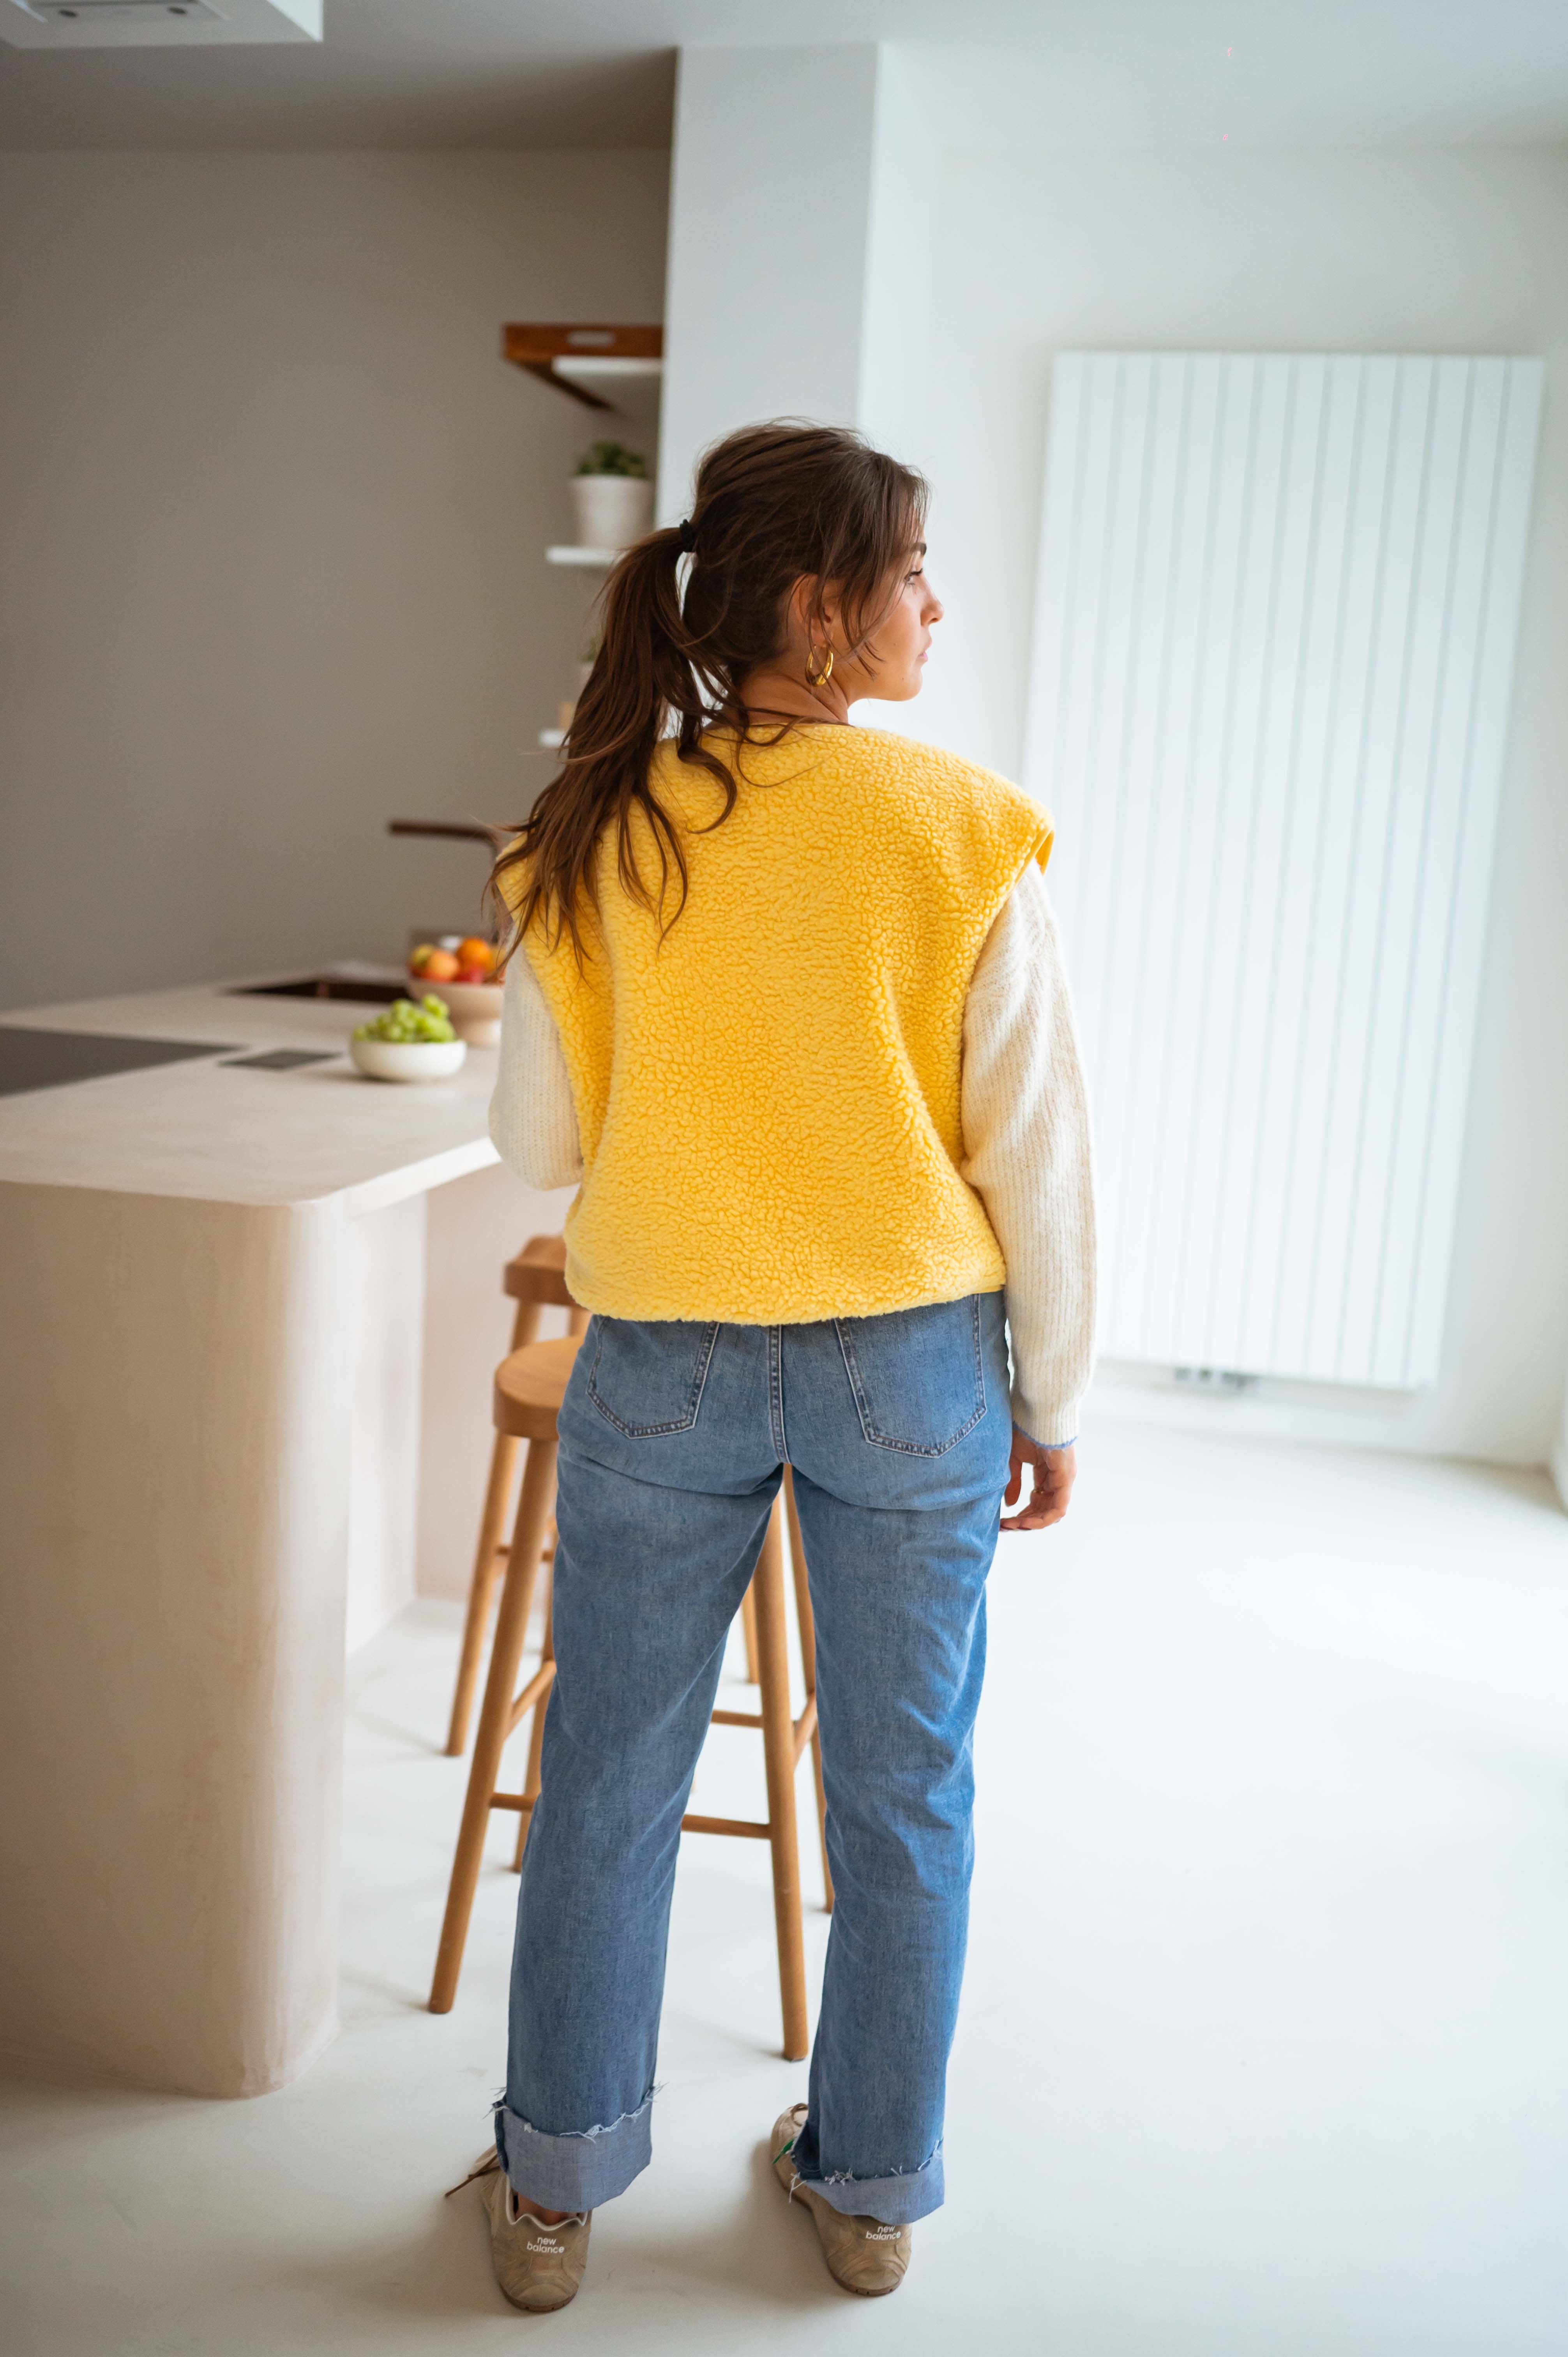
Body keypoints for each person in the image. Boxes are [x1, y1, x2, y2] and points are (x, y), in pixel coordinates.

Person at [457, 420, 1095, 2312]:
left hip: (661, 1354)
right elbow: (1037, 1154)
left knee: (607, 1777)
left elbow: (537, 1142)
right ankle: (871, 2182)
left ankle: (557, 2184)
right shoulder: (963, 828)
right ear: (822, 613)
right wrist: (1050, 1401)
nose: (934, 603)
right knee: (907, 1791)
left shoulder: (596, 829)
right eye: (910, 572)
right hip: (911, 1365)